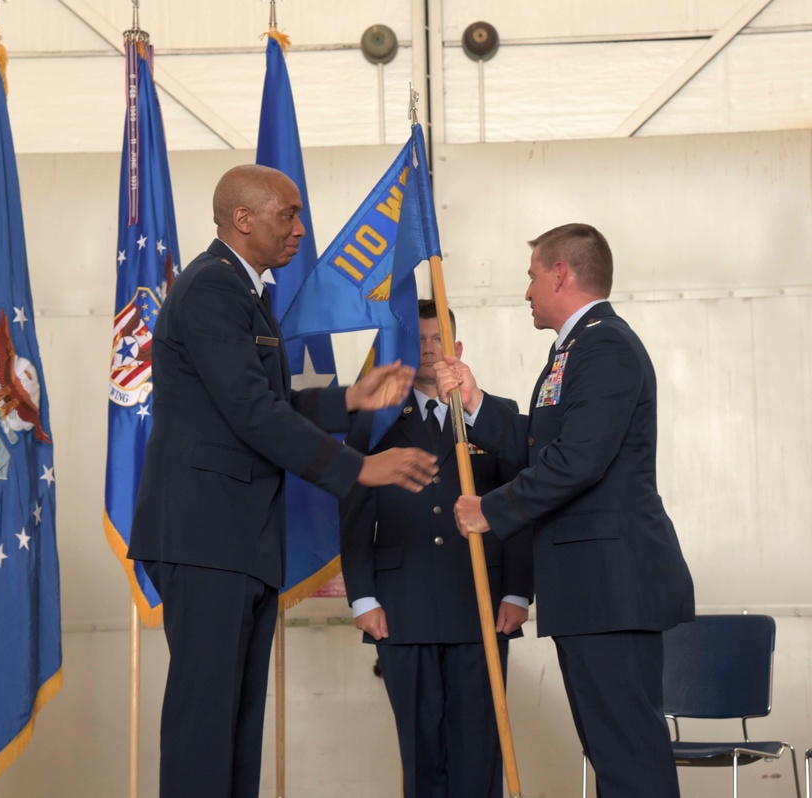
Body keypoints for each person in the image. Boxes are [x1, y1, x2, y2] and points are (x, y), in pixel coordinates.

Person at [127, 164, 438, 798]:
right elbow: (251, 412)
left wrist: (349, 398)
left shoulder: (244, 292)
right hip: (205, 536)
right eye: (288, 214)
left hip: (235, 540)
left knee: (236, 723)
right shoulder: (212, 289)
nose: (300, 229)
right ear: (243, 219)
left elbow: (262, 402)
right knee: (205, 723)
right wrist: (360, 469)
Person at [438, 223, 694, 797]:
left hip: (612, 585)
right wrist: (476, 402)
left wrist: (491, 510)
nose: (526, 291)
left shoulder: (603, 345)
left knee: (630, 760)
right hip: (591, 589)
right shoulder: (578, 347)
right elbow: (546, 446)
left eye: (531, 276)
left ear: (561, 273)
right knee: (614, 755)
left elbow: (580, 460)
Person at [340, 299, 534, 798]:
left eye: (437, 341)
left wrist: (517, 592)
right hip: (403, 607)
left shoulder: (496, 416)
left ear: (458, 349)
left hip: (480, 606)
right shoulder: (376, 424)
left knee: (480, 752)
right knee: (421, 753)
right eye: (419, 341)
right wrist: (362, 596)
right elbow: (355, 510)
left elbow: (519, 508)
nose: (429, 351)